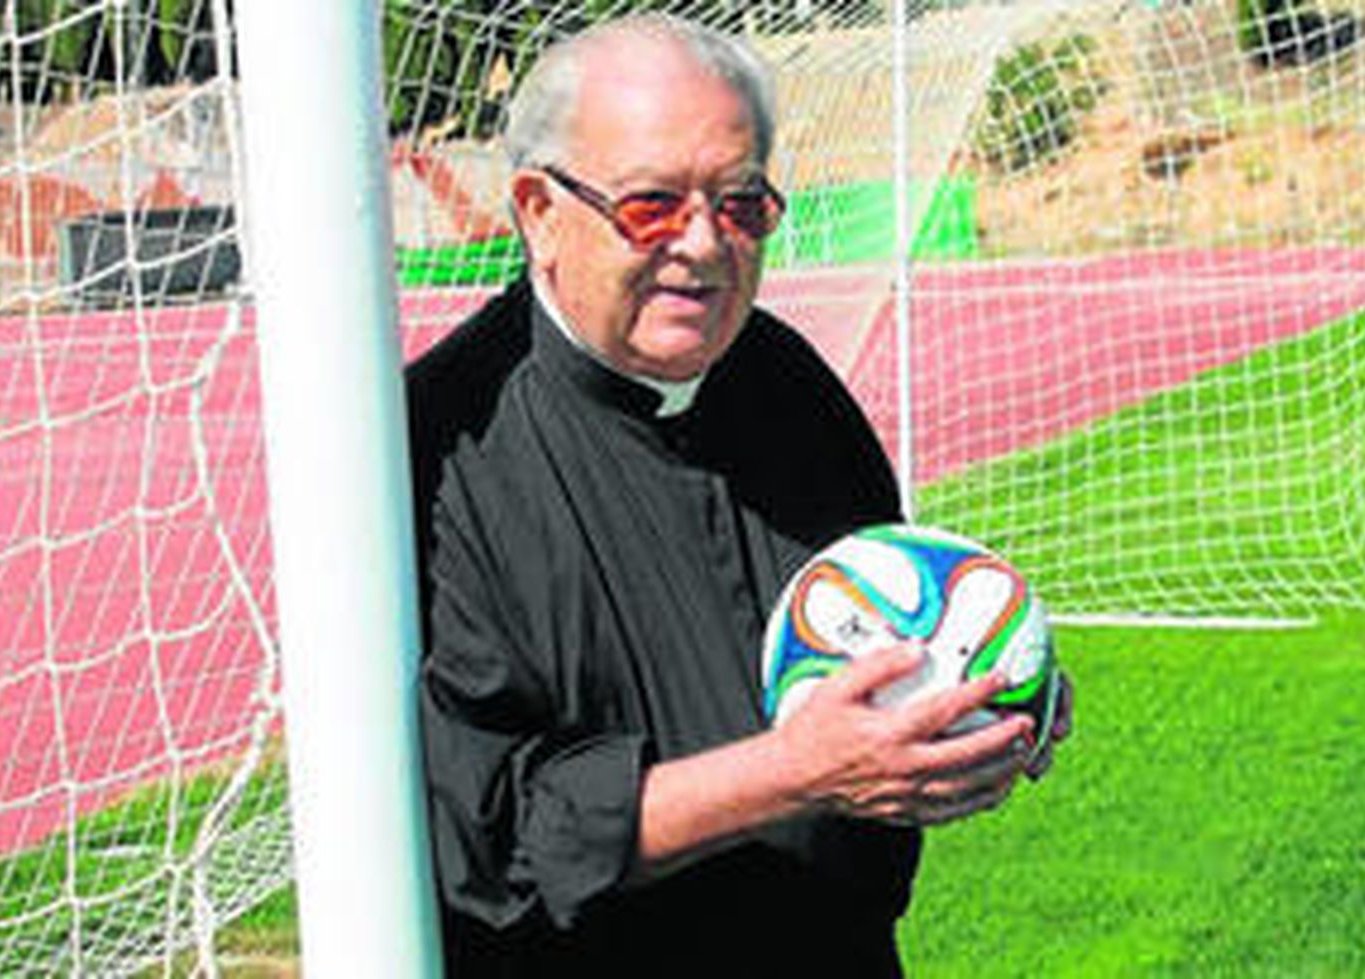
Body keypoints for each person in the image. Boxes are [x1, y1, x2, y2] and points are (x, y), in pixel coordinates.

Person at [406, 14, 1072, 977]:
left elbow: (873, 642)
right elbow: (491, 828)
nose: (704, 245)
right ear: (538, 212)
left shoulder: (788, 380)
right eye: (651, 205)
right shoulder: (437, 448)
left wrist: (979, 695)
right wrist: (792, 772)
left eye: (741, 204)